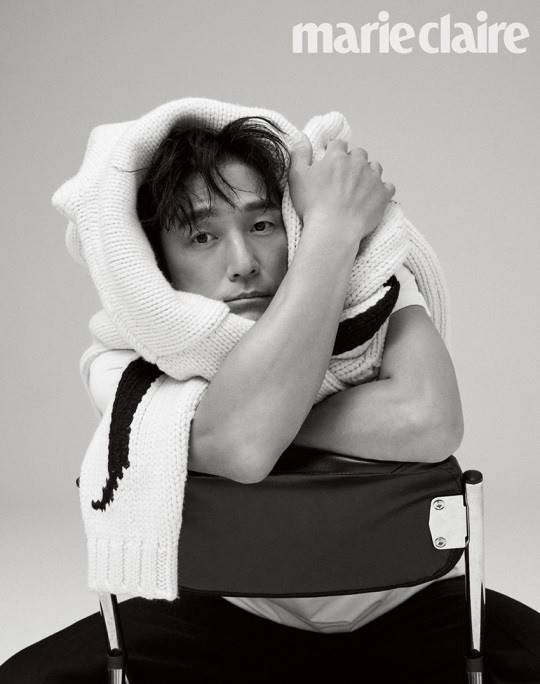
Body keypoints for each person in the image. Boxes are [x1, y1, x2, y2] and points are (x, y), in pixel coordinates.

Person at [2, 114, 539, 684]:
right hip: (229, 612)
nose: (243, 264)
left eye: (262, 225)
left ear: (295, 223)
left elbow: (427, 421)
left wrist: (330, 236)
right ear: (157, 260)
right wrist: (334, 230)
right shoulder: (122, 359)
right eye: (202, 237)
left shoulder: (372, 288)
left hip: (414, 603)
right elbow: (243, 447)